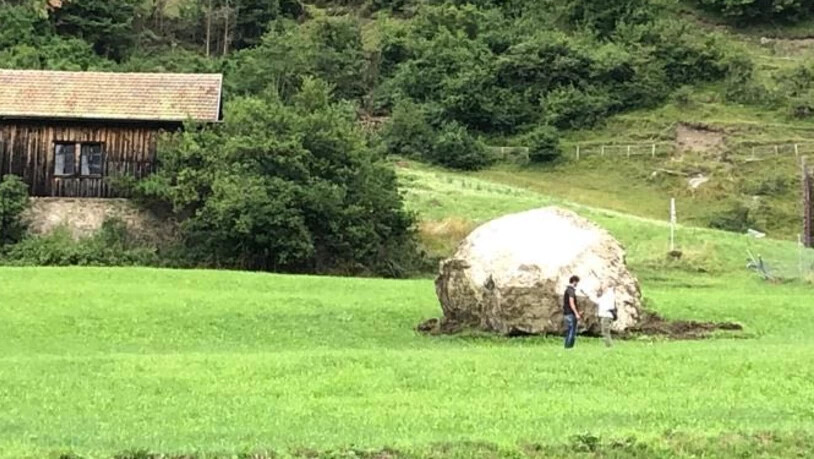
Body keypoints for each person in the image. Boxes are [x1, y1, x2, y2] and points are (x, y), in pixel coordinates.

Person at [562, 275, 581, 349]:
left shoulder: (567, 290)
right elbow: (571, 303)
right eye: (577, 282)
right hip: (570, 313)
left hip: (566, 313)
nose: (577, 284)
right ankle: (569, 347)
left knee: (569, 330)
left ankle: (566, 346)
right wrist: (576, 313)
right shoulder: (571, 290)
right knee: (572, 331)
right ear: (574, 281)